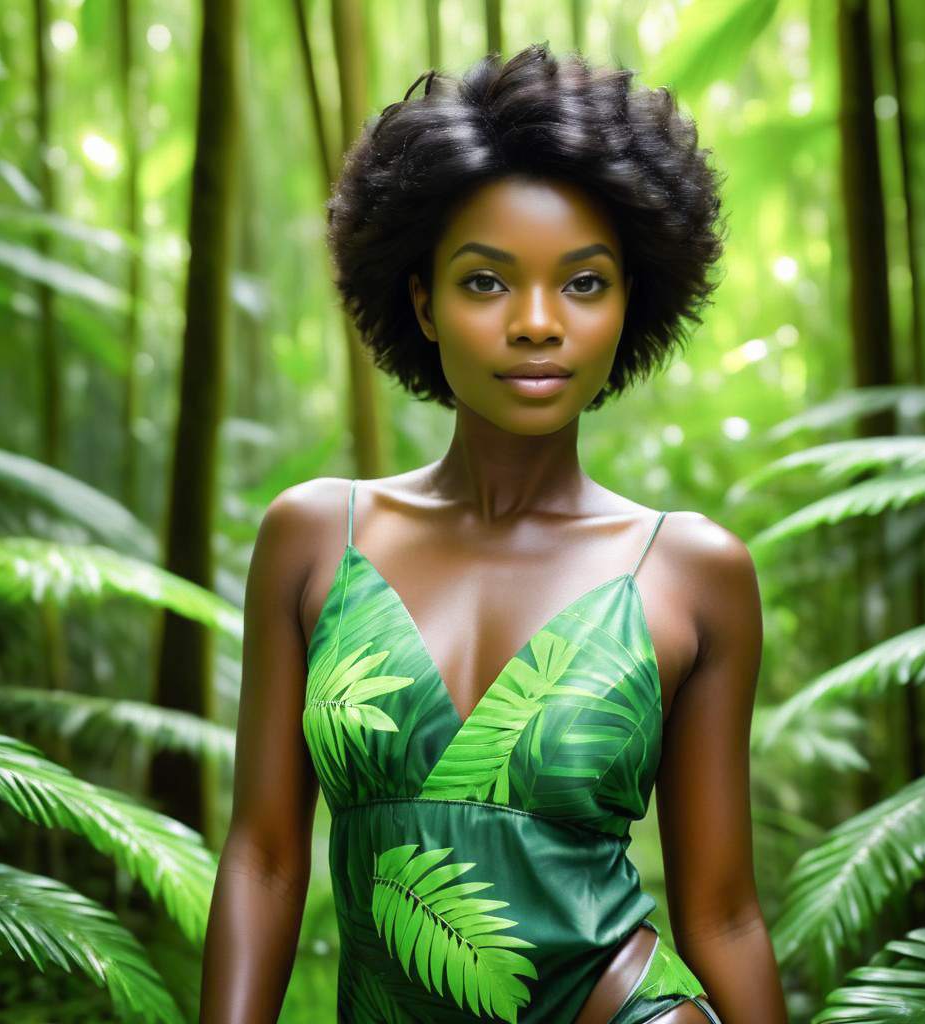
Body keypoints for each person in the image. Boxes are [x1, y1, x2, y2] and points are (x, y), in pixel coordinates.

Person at [199, 43, 787, 1024]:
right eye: (486, 283)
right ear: (421, 300)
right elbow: (262, 855)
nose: (536, 323)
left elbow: (722, 913)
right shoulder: (312, 537)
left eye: (584, 284)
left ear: (630, 301)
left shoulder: (695, 573)